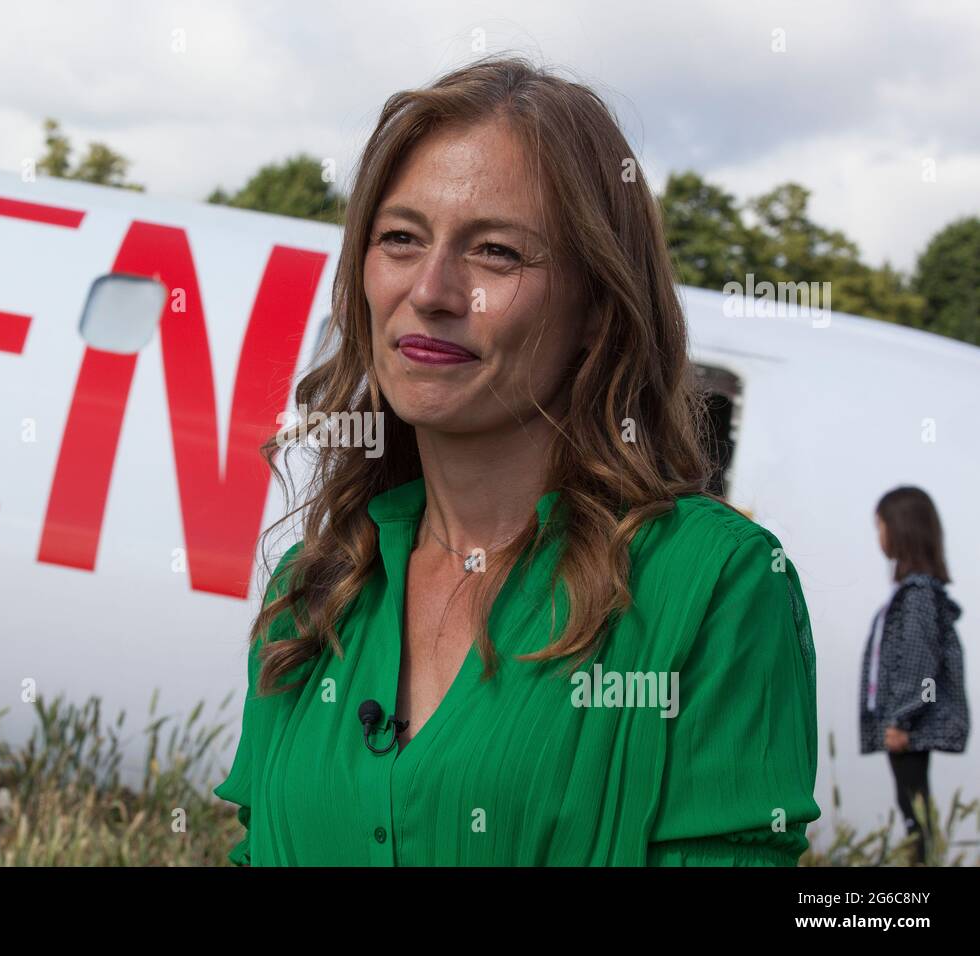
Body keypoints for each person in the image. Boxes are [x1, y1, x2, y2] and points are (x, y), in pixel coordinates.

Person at [213, 55, 820, 866]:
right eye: (400, 239)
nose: (431, 289)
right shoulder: (311, 595)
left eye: (496, 252)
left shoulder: (715, 585)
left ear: (598, 307)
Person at [859, 486, 969, 864]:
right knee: (912, 804)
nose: (879, 536)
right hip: (905, 722)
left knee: (913, 809)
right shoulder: (912, 592)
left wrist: (902, 718)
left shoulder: (917, 594)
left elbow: (920, 664)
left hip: (908, 726)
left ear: (901, 528)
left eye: (881, 526)